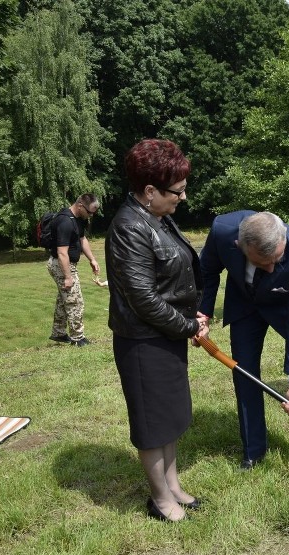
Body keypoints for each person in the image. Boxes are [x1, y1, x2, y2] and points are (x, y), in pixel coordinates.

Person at [106, 139, 209, 522]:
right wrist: (186, 326)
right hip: (143, 341)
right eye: (177, 191)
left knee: (170, 415)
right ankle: (160, 500)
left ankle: (173, 485)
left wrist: (191, 315)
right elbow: (143, 298)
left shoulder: (158, 218)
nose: (183, 197)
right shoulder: (128, 228)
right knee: (152, 422)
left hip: (167, 334)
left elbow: (174, 276)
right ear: (149, 191)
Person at [199, 211, 289, 487]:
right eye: (262, 262)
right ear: (240, 246)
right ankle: (253, 451)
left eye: (276, 260)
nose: (270, 268)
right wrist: (203, 313)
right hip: (245, 304)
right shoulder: (223, 231)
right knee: (244, 372)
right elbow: (207, 270)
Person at [47, 194, 101, 347]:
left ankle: (59, 333)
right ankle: (78, 338)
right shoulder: (65, 222)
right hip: (61, 265)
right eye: (89, 212)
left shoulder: (78, 219)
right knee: (74, 301)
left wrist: (92, 259)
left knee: (64, 300)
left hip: (66, 264)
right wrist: (68, 277)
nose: (91, 215)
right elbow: (62, 253)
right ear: (79, 205)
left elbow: (82, 239)